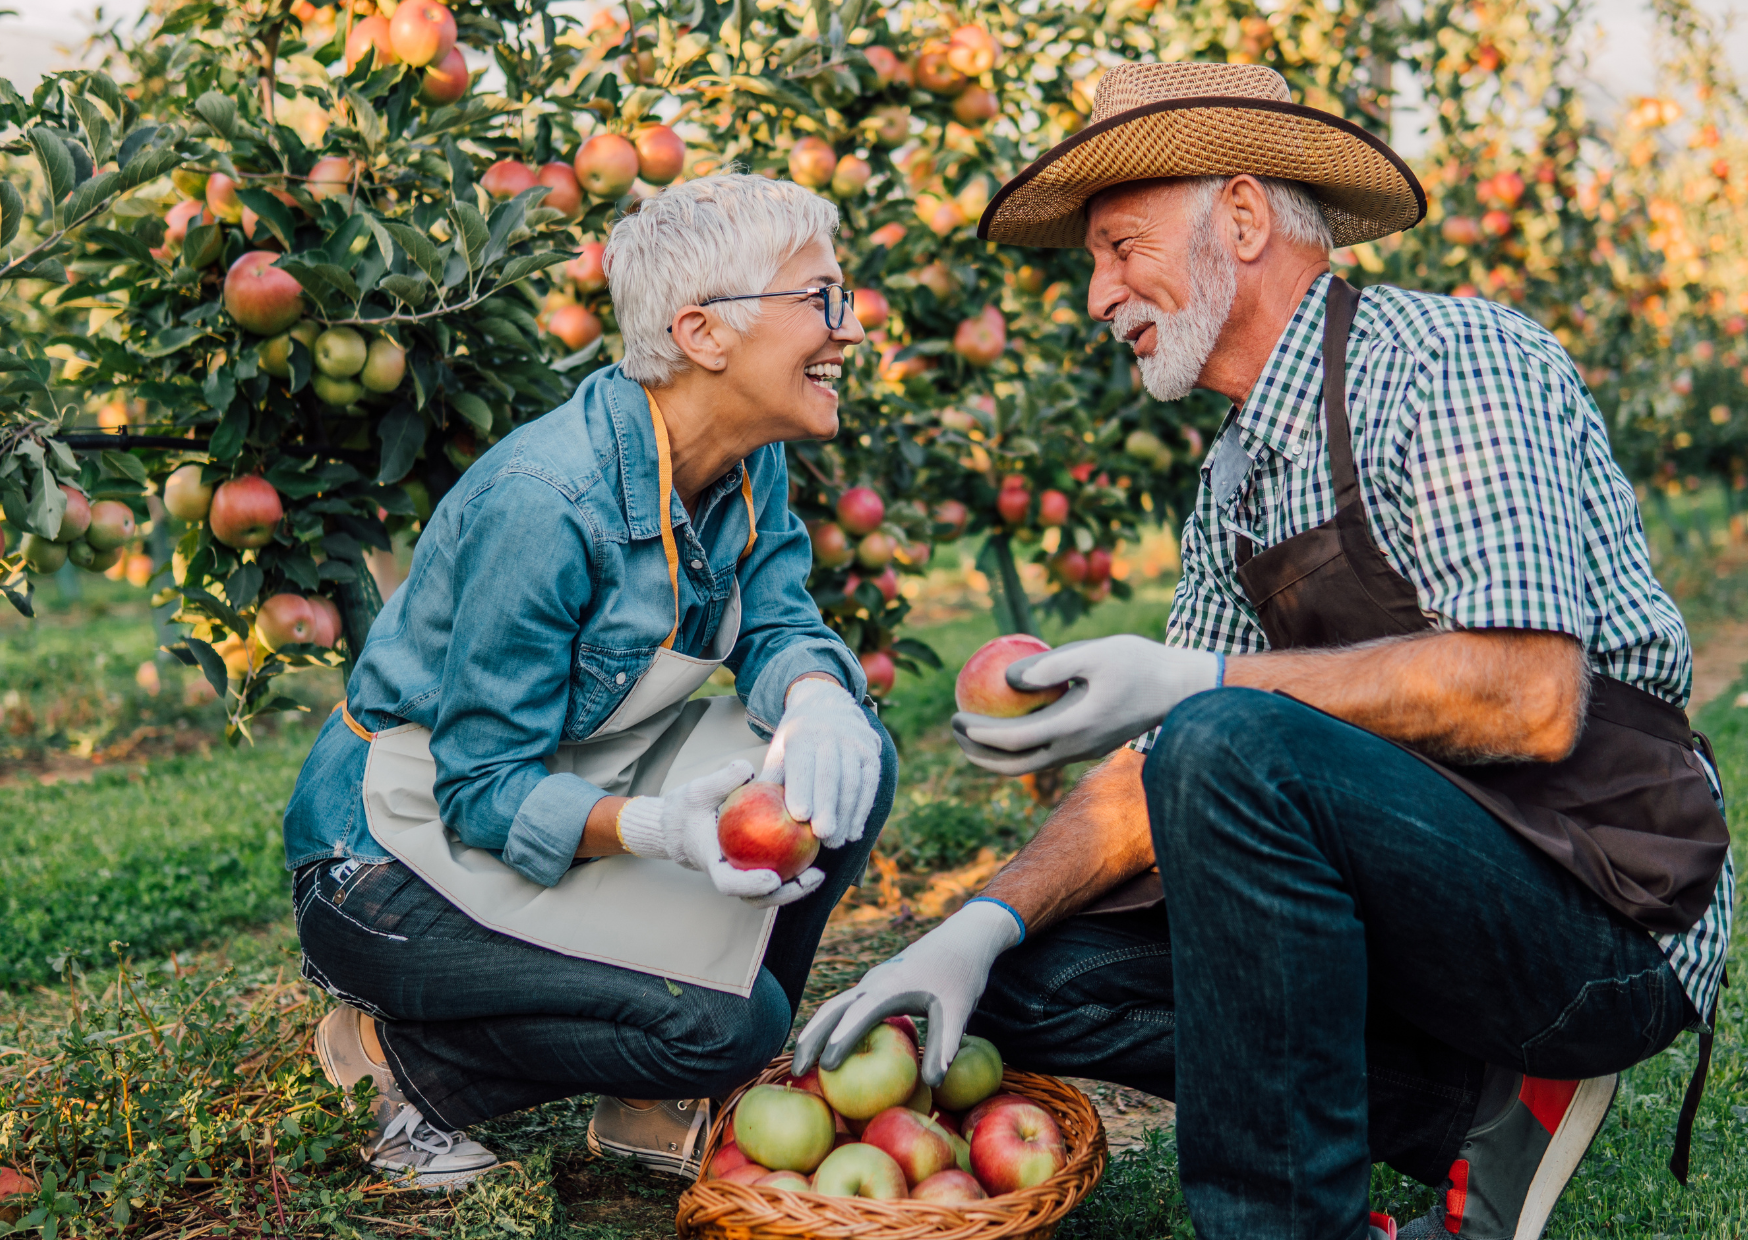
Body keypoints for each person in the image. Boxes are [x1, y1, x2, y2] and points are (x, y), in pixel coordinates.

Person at [795, 62, 1732, 1240]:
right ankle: (1473, 1104)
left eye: (1118, 246)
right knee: (1022, 986)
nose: (1096, 294)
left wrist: (1195, 684)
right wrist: (972, 929)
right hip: (1427, 889)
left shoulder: (1446, 362)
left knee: (1226, 738)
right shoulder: (1234, 478)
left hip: (1600, 906)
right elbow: (1157, 773)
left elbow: (1529, 695)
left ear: (1240, 217)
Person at [283, 174, 898, 1189]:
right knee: (724, 1024)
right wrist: (660, 831)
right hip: (384, 860)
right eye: (820, 299)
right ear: (703, 333)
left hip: (562, 773)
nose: (850, 329)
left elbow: (779, 618)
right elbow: (478, 786)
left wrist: (817, 696)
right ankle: (413, 1064)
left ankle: (673, 1087)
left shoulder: (745, 458)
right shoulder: (547, 504)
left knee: (850, 764)